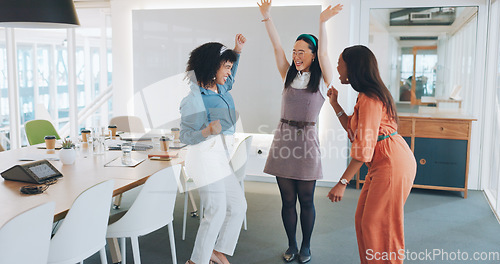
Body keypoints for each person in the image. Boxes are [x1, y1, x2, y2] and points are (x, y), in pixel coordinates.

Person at [257, 1, 342, 263]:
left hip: (306, 143)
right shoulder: (288, 74)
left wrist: (322, 22)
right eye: (294, 51)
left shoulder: (322, 77)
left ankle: (306, 245)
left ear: (312, 54)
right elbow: (276, 47)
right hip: (282, 141)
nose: (296, 55)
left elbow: (326, 54)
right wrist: (267, 17)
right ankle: (292, 244)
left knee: (306, 199)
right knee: (286, 200)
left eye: (302, 51)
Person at [326, 45, 417, 264]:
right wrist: (335, 104)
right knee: (364, 221)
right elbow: (353, 128)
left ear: (353, 66)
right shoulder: (365, 97)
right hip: (383, 162)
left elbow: (363, 147)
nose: (337, 67)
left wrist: (342, 181)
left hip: (391, 162)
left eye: (340, 62)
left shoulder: (371, 99)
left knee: (382, 226)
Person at [180, 34, 247, 264]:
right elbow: (185, 135)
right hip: (204, 158)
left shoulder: (221, 86)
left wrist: (236, 51)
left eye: (230, 67)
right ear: (211, 68)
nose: (229, 72)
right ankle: (196, 261)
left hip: (220, 158)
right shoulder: (194, 99)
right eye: (225, 67)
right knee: (216, 211)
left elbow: (232, 75)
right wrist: (207, 131)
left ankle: (216, 253)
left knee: (238, 206)